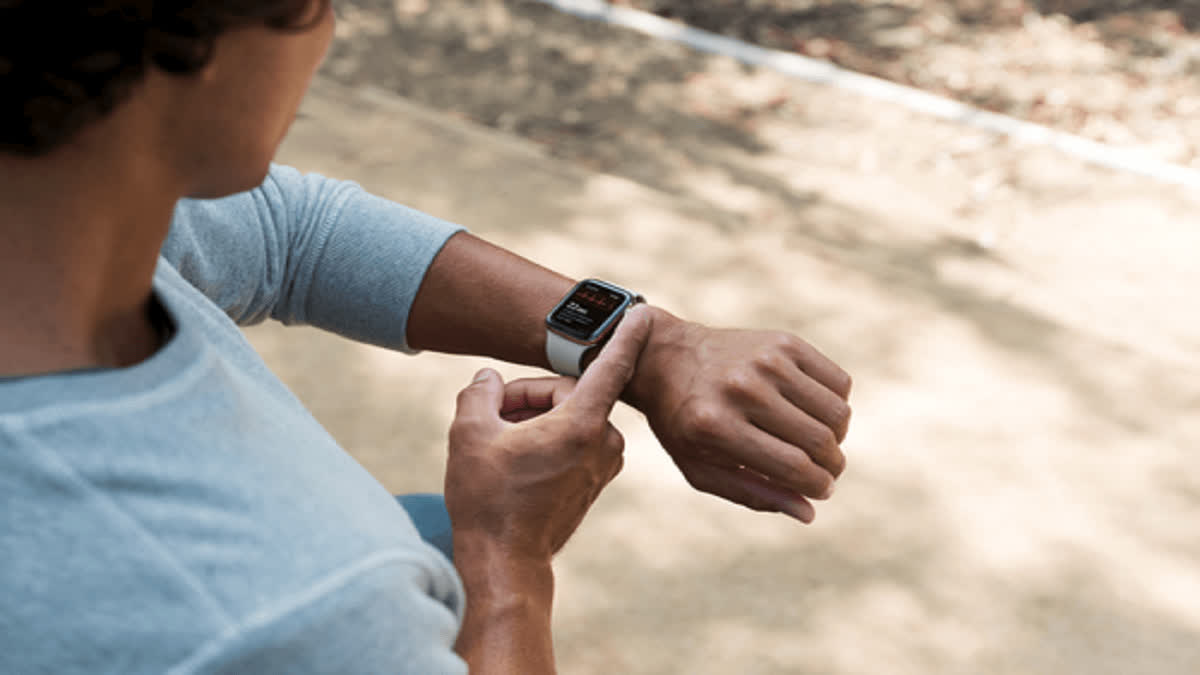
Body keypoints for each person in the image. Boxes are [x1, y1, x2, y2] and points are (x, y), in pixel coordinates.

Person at [0, 1, 852, 673]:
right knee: (440, 555)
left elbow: (288, 233)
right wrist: (506, 561)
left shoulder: (61, 208)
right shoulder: (287, 615)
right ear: (210, 56)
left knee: (422, 535)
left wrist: (648, 342)